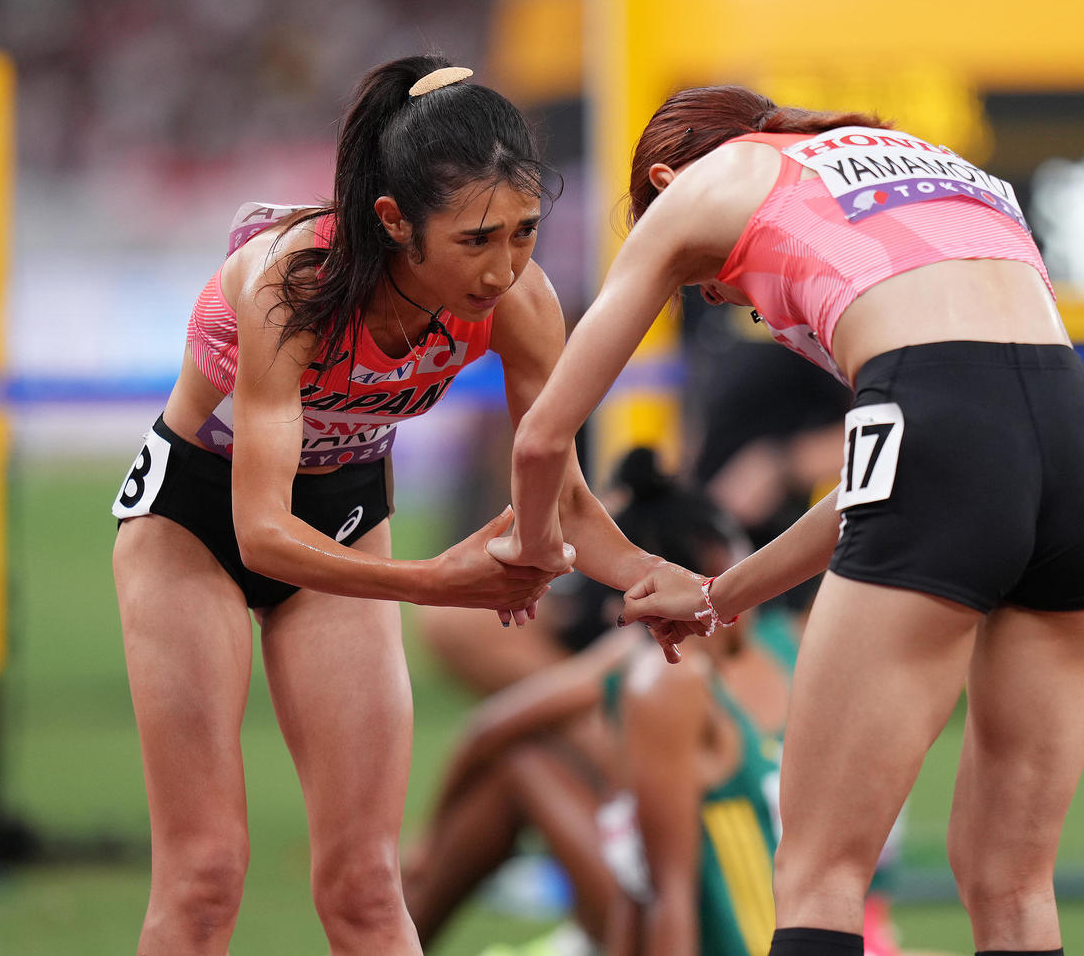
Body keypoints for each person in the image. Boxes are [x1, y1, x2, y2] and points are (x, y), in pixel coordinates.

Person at [490, 87, 1084, 956]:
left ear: (668, 178)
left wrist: (534, 551)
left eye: (702, 285)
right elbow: (911, 467)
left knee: (819, 873)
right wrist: (719, 595)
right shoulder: (945, 170)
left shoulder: (711, 183)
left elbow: (541, 439)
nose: (722, 299)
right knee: (1010, 880)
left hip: (946, 440)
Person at [109, 55, 669, 956]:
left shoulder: (522, 303)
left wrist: (657, 576)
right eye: (477, 240)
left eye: (525, 232)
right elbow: (259, 531)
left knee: (367, 884)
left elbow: (561, 495)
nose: (504, 269)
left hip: (343, 511)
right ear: (393, 222)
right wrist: (435, 581)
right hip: (197, 522)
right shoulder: (293, 283)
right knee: (205, 875)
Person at [403, 448, 904, 956]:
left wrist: (426, 849)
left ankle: (398, 931)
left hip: (742, 931)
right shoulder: (797, 638)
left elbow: (666, 892)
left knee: (526, 765)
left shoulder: (663, 676)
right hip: (842, 927)